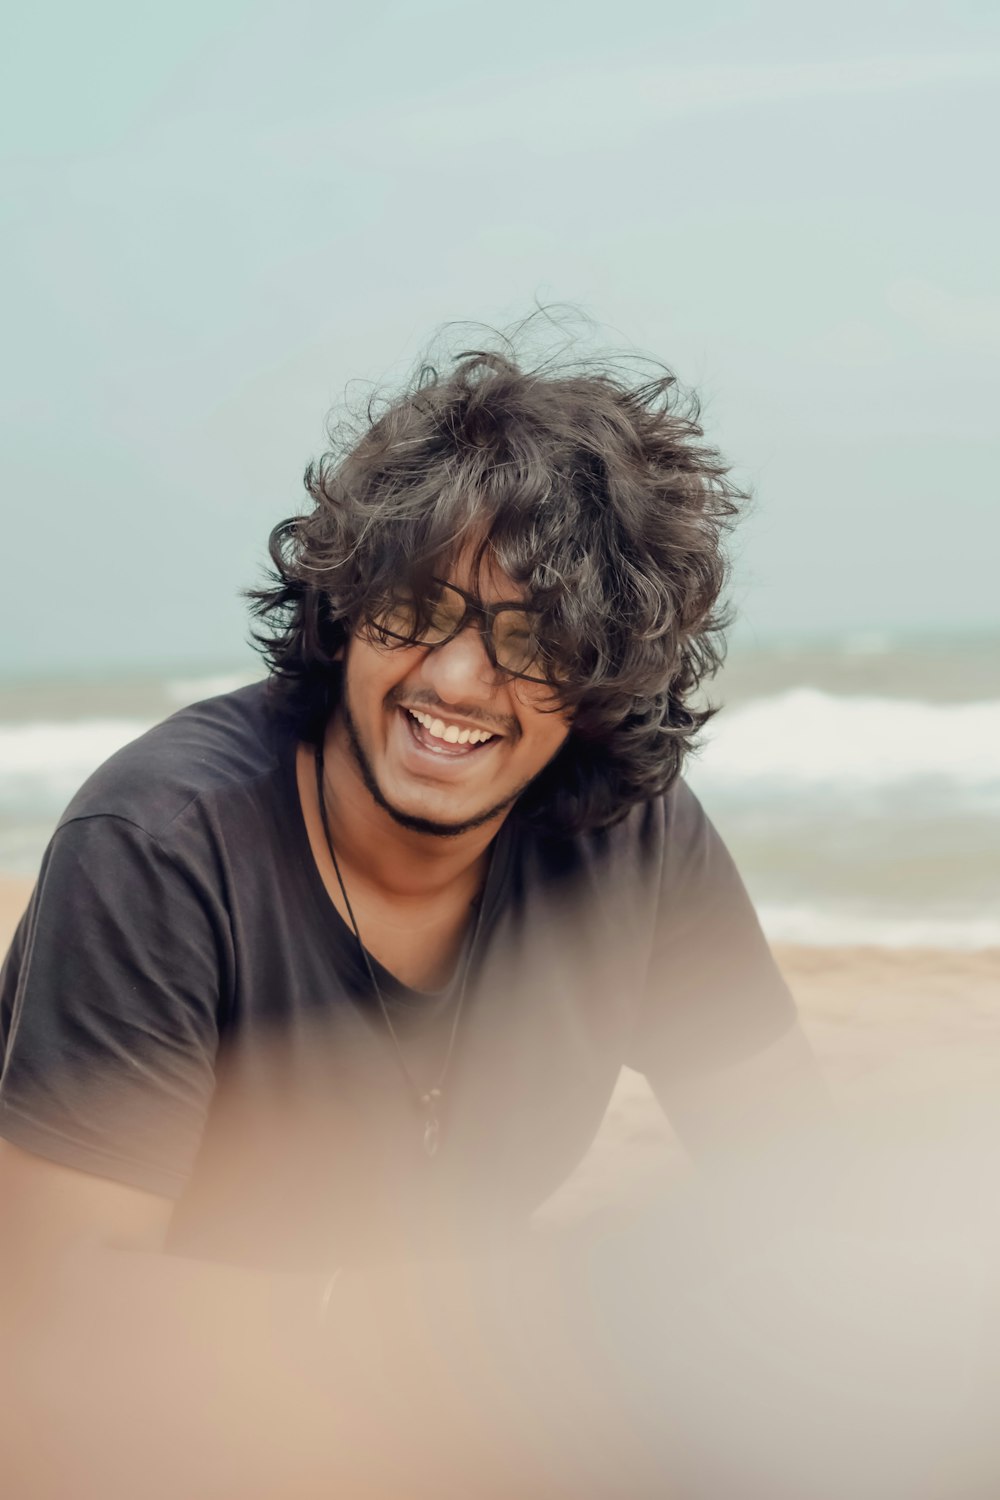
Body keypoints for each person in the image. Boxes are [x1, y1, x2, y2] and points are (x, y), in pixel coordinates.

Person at [0, 336, 829, 1497]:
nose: (452, 681)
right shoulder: (162, 843)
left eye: (533, 639)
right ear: (345, 610)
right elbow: (52, 1320)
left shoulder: (627, 834)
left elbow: (796, 1181)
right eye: (414, 610)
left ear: (602, 679)